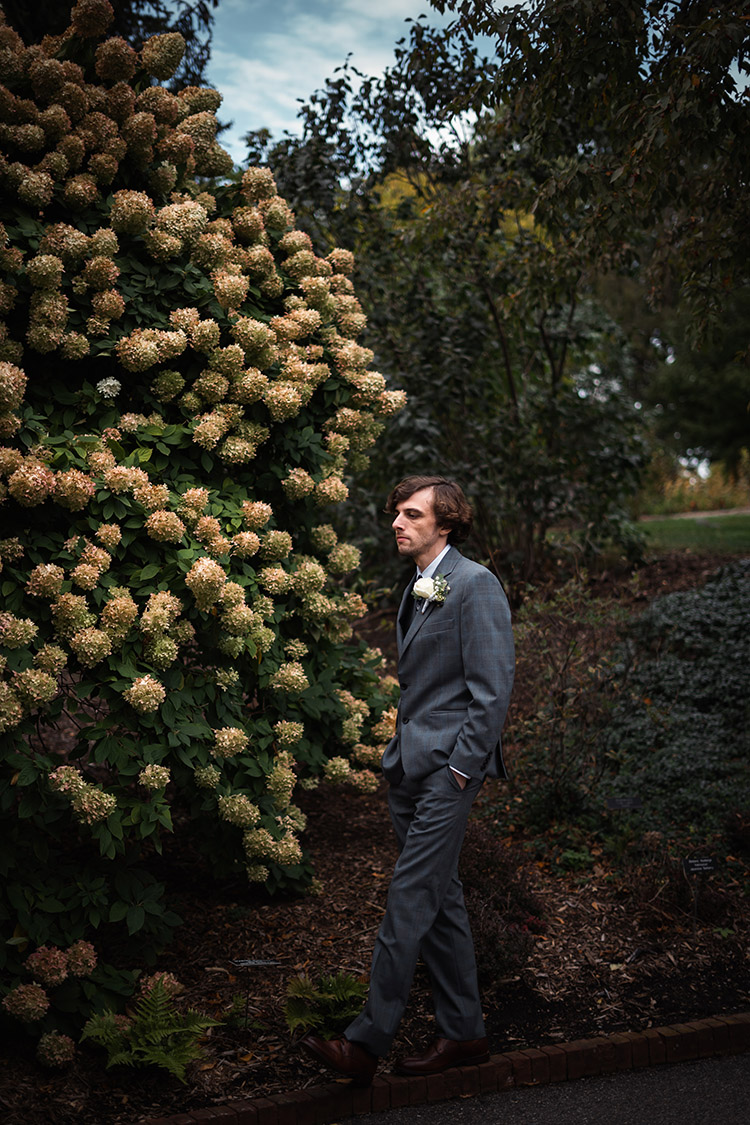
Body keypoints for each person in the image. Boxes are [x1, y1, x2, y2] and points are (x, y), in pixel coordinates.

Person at [301, 475, 515, 1084]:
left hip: (448, 773)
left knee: (408, 896)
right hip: (408, 768)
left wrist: (458, 770)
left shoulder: (476, 585)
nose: (397, 521)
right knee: (441, 901)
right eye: (397, 512)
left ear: (444, 525)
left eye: (412, 514)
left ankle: (365, 1044)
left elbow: (492, 692)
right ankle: (465, 1034)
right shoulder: (418, 588)